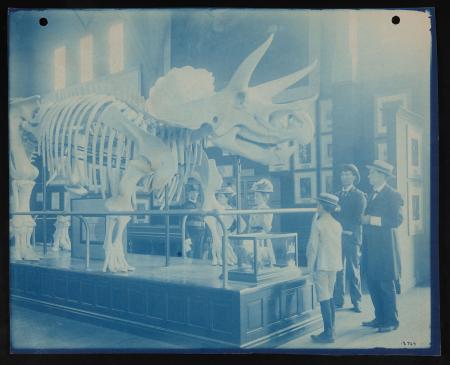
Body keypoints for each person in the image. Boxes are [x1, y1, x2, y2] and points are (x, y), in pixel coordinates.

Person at [361, 160, 403, 333]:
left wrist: (371, 220)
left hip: (385, 247)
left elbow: (397, 220)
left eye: (372, 173)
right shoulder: (371, 194)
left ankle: (391, 321)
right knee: (372, 282)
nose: (369, 175)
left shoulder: (393, 194)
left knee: (385, 282)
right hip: (371, 246)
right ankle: (380, 318)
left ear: (381, 175)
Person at [306, 193, 343, 343]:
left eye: (318, 204)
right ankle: (331, 329)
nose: (316, 207)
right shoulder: (337, 224)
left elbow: (313, 247)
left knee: (323, 297)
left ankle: (328, 333)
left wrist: (309, 268)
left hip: (321, 265)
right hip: (334, 265)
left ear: (322, 206)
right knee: (330, 295)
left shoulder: (318, 223)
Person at [333, 164, 367, 313]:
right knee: (338, 269)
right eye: (343, 174)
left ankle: (356, 301)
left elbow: (359, 218)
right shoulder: (336, 195)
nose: (345, 177)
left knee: (353, 270)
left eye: (348, 174)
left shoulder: (359, 195)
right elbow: (332, 216)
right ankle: (338, 300)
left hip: (352, 237)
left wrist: (346, 230)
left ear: (354, 177)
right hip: (337, 237)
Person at [237, 178, 276, 269]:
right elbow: (250, 226)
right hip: (252, 236)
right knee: (246, 252)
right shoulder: (253, 210)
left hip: (261, 238)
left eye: (257, 196)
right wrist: (248, 236)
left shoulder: (267, 210)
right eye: (254, 195)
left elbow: (267, 229)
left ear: (264, 197)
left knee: (261, 259)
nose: (254, 198)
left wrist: (262, 217)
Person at [181, 178, 207, 259]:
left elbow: (205, 219)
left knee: (199, 254)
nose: (194, 194)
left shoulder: (200, 205)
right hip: (191, 233)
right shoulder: (185, 206)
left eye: (196, 192)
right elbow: (182, 223)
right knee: (190, 254)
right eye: (192, 192)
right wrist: (186, 237)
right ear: (188, 193)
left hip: (202, 232)